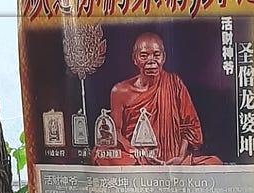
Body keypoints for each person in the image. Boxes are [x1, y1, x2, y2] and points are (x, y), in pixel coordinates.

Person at [94, 32, 221, 166]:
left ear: (164, 57)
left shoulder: (174, 83)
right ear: (135, 58)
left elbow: (189, 128)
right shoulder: (120, 91)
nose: (151, 61)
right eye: (144, 55)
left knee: (214, 163)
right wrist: (138, 153)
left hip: (173, 158)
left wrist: (180, 156)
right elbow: (116, 133)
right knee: (101, 153)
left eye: (156, 55)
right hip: (136, 158)